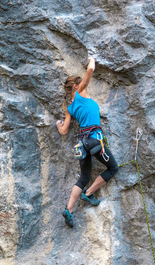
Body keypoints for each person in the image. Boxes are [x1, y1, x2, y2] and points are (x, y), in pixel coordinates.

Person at [56, 57, 119, 228]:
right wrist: (91, 58)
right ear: (76, 86)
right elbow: (90, 70)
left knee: (84, 176)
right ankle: (89, 193)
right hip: (94, 139)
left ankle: (69, 210)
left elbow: (63, 131)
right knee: (113, 168)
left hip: (82, 144)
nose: (84, 84)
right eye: (81, 83)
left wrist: (59, 124)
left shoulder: (69, 107)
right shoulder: (81, 92)